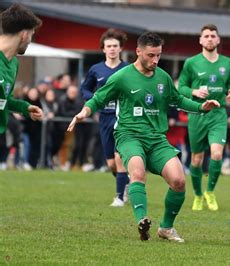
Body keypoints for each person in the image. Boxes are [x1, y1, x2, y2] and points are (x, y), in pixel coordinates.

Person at [67, 32, 220, 242]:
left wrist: (202, 107)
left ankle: (166, 228)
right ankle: (142, 220)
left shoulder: (163, 77)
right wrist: (84, 113)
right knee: (138, 173)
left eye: (158, 55)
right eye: (151, 55)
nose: (155, 60)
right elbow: (99, 98)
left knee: (178, 181)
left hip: (157, 139)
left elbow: (178, 100)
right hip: (129, 135)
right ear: (138, 52)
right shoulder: (122, 76)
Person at [178, 24, 230, 211]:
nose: (210, 38)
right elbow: (181, 89)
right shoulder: (191, 63)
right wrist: (195, 91)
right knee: (196, 159)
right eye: (206, 36)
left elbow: (229, 86)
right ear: (200, 40)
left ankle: (210, 192)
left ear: (218, 40)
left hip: (218, 115)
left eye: (213, 36)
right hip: (197, 114)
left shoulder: (227, 63)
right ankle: (197, 195)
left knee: (217, 154)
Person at [80, 28, 130, 207]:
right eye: (109, 46)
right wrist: (92, 99)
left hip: (123, 118)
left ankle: (119, 197)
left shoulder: (127, 69)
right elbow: (85, 89)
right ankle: (126, 183)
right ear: (103, 49)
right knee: (111, 164)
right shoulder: (96, 70)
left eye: (115, 46)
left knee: (119, 157)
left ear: (121, 48)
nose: (112, 49)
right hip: (105, 118)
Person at [0, 3, 43, 135]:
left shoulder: (14, 63)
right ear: (24, 34)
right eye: (32, 34)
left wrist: (25, 107)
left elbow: (4, 100)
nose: (30, 41)